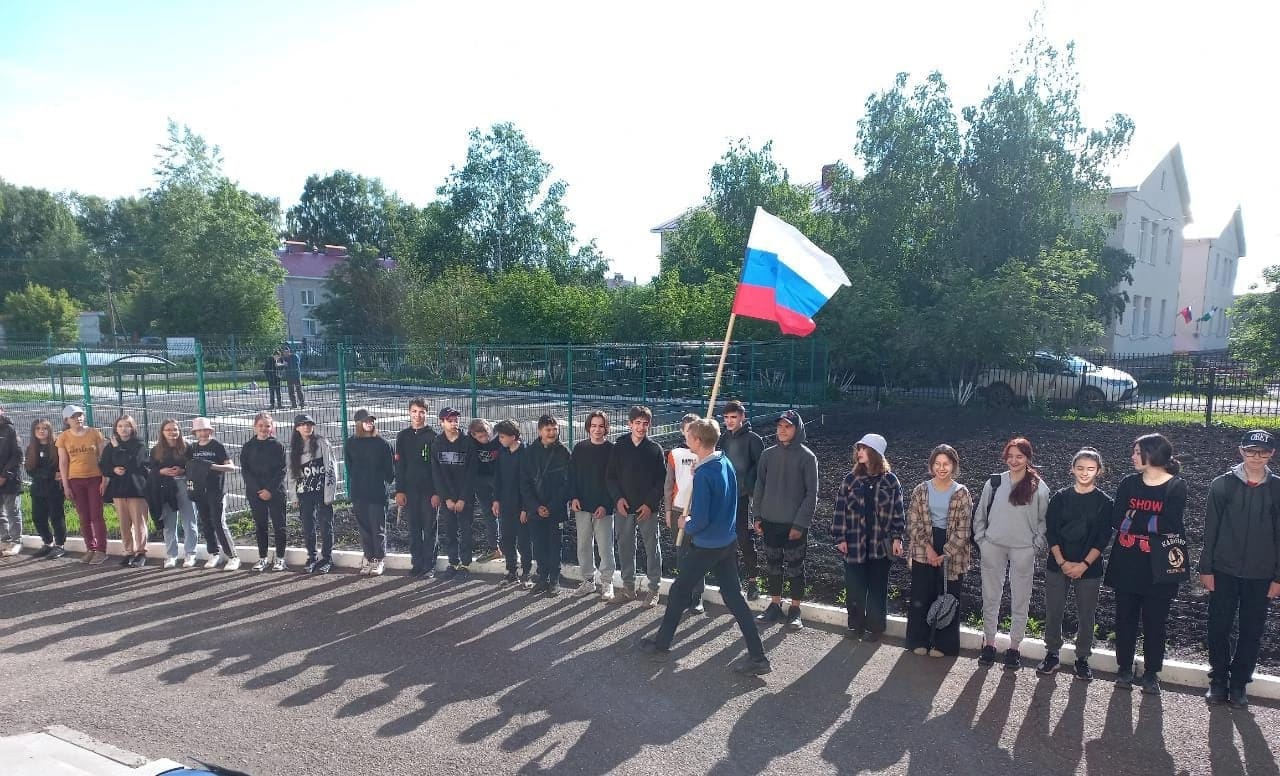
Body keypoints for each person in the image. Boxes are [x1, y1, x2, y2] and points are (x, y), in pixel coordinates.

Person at [639, 418, 771, 676]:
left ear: (698, 441)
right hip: (727, 541)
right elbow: (728, 501)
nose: (686, 438)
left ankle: (661, 644)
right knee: (733, 597)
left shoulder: (705, 474)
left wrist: (685, 523)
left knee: (679, 590)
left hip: (707, 545)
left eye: (689, 436)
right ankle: (758, 657)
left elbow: (699, 520)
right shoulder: (724, 463)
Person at [1201, 429, 1280, 708]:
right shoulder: (1222, 485)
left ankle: (1239, 685)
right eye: (1251, 451)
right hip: (1224, 570)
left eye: (1263, 453)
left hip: (1261, 574)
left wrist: (1278, 577)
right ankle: (1218, 681)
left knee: (1251, 630)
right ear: (1241, 451)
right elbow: (1210, 530)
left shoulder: (1277, 489)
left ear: (1272, 454)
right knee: (1218, 626)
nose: (1256, 457)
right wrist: (1206, 568)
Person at [1104, 433, 1188, 695]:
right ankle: (1124, 669)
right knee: (1124, 620)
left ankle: (1152, 673)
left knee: (1155, 623)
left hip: (1159, 569)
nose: (1133, 456)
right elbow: (1116, 520)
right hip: (1126, 565)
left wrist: (1134, 517)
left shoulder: (1176, 486)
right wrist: (1150, 521)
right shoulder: (1128, 483)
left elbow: (1170, 524)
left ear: (1152, 454)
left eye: (1137, 451)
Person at [1036, 448, 1113, 681]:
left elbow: (1102, 538)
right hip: (1057, 564)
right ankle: (1052, 654)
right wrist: (1062, 562)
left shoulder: (1105, 503)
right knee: (1054, 610)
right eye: (1080, 468)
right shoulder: (1060, 498)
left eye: (1090, 468)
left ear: (1098, 471)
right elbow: (1051, 532)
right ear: (1072, 469)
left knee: (1086, 614)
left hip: (1089, 568)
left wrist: (1083, 565)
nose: (1084, 473)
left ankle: (1082, 658)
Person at [973, 436, 1050, 670]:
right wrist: (982, 540)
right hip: (993, 547)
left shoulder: (1039, 487)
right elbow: (980, 514)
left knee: (1021, 598)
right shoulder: (994, 483)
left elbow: (1044, 521)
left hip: (1023, 550)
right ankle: (989, 643)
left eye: (1020, 456)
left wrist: (1035, 546)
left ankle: (1014, 647)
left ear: (1028, 458)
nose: (1014, 461)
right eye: (1011, 456)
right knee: (990, 596)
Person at [832, 433, 904, 641]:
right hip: (854, 543)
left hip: (880, 545)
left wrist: (897, 538)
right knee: (854, 587)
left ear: (875, 453)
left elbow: (898, 511)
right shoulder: (850, 479)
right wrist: (840, 537)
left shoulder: (890, 481)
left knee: (877, 588)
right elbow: (840, 509)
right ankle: (855, 626)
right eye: (859, 448)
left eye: (864, 449)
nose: (859, 452)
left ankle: (875, 628)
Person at [904, 444, 972, 657]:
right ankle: (918, 640)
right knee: (921, 594)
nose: (942, 468)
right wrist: (929, 549)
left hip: (952, 550)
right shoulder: (921, 490)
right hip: (924, 547)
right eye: (937, 464)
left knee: (948, 596)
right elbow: (913, 522)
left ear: (953, 466)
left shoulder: (961, 492)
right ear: (931, 465)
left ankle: (943, 644)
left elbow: (964, 528)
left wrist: (945, 553)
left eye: (946, 464)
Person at [754, 409, 818, 631]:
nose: (782, 430)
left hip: (794, 526)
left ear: (797, 429)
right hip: (770, 521)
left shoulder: (807, 458)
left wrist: (800, 524)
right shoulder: (767, 455)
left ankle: (795, 609)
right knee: (772, 565)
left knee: (795, 567)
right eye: (780, 426)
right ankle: (774, 604)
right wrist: (757, 515)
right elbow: (759, 486)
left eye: (787, 426)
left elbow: (811, 494)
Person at [606, 405, 666, 607]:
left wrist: (649, 504)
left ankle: (654, 589)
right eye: (637, 423)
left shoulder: (654, 449)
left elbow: (661, 481)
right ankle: (628, 588)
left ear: (650, 425)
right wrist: (618, 499)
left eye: (645, 423)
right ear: (629, 424)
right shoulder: (619, 446)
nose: (641, 427)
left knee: (652, 548)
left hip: (647, 510)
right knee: (625, 547)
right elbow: (611, 477)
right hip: (624, 508)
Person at [718, 400, 764, 599]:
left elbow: (761, 469)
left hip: (744, 497)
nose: (729, 421)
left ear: (742, 417)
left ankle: (753, 581)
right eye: (726, 417)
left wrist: (752, 489)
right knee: (727, 540)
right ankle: (732, 580)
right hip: (726, 497)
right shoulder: (723, 439)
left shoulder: (753, 440)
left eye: (733, 417)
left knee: (744, 539)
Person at [521, 414, 571, 596]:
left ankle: (554, 580)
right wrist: (535, 506)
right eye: (548, 429)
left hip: (556, 510)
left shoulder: (564, 453)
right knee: (539, 545)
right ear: (539, 431)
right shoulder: (529, 453)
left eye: (555, 429)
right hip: (535, 509)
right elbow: (524, 483)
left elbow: (567, 484)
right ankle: (542, 578)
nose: (552, 433)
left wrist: (551, 506)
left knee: (555, 545)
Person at [570, 411, 616, 601]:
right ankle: (588, 581)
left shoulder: (612, 450)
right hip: (582, 506)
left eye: (601, 426)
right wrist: (573, 497)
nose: (597, 430)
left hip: (603, 508)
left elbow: (613, 481)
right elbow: (572, 475)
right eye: (594, 426)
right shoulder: (579, 448)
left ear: (606, 428)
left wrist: (606, 505)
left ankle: (607, 582)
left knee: (605, 546)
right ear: (588, 427)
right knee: (583, 545)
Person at [345, 408, 394, 575]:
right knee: (364, 528)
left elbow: (390, 471)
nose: (369, 423)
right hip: (359, 493)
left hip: (377, 493)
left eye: (371, 421)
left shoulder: (382, 444)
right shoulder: (351, 443)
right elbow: (350, 467)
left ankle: (379, 560)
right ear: (358, 423)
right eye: (366, 421)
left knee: (377, 528)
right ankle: (368, 557)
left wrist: (380, 480)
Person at [187, 417, 240, 571]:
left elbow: (231, 467)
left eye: (205, 430)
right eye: (199, 430)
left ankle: (233, 556)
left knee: (219, 523)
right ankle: (213, 553)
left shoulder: (217, 446)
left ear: (210, 431)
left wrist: (212, 466)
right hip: (199, 491)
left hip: (216, 491)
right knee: (206, 523)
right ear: (195, 433)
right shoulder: (193, 448)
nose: (202, 433)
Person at [393, 397, 438, 578]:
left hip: (428, 493)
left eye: (421, 412)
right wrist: (399, 490)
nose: (417, 415)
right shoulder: (403, 436)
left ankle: (429, 565)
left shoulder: (433, 437)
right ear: (409, 413)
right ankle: (417, 563)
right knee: (414, 529)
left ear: (427, 414)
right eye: (414, 411)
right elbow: (399, 465)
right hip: (410, 491)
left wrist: (436, 493)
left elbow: (436, 468)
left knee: (429, 529)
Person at [431, 407, 478, 578]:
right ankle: (453, 562)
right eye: (449, 421)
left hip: (465, 498)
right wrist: (447, 498)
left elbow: (471, 473)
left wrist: (463, 498)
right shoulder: (437, 443)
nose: (453, 423)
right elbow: (436, 474)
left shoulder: (468, 443)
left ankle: (465, 564)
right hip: (448, 499)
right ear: (441, 422)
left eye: (455, 420)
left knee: (466, 531)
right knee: (450, 531)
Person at [665, 413, 705, 614]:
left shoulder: (705, 454)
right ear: (682, 431)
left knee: (698, 554)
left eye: (695, 429)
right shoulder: (675, 454)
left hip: (698, 510)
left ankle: (698, 596)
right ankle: (684, 594)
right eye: (688, 429)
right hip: (678, 510)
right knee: (682, 554)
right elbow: (668, 485)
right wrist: (668, 510)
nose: (691, 433)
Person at [56, 406, 106, 564]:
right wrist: (66, 486)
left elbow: (104, 459)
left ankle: (101, 550)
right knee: (84, 516)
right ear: (67, 420)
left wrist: (104, 480)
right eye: (74, 416)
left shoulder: (95, 433)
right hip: (75, 480)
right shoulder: (63, 437)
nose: (78, 418)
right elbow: (63, 463)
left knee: (96, 515)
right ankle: (90, 548)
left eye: (80, 415)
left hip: (95, 478)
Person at [100, 414, 151, 568]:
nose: (123, 429)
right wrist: (113, 470)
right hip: (118, 489)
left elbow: (132, 463)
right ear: (116, 428)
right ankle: (128, 551)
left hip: (136, 489)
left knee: (139, 522)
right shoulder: (110, 446)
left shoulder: (139, 445)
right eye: (120, 426)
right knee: (124, 523)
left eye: (127, 426)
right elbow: (104, 465)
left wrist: (118, 449)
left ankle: (141, 552)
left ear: (132, 428)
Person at [150, 418, 200, 569]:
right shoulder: (156, 450)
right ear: (162, 432)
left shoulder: (187, 447)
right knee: (169, 523)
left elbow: (194, 466)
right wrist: (162, 471)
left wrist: (183, 470)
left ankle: (190, 553)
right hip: (166, 488)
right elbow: (151, 470)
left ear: (179, 431)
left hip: (184, 484)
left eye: (175, 429)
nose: (172, 432)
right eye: (168, 430)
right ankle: (171, 555)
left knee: (189, 520)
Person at [291, 413, 337, 574]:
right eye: (302, 424)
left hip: (322, 492)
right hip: (304, 493)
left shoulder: (322, 442)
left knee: (326, 526)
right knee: (308, 527)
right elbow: (292, 475)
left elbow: (331, 468)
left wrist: (329, 494)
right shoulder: (295, 448)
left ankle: (327, 558)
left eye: (309, 424)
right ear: (297, 428)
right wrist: (294, 496)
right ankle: (312, 557)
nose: (306, 427)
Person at [242, 412, 288, 572]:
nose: (264, 429)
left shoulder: (278, 446)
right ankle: (263, 558)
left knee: (279, 526)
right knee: (261, 526)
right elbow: (245, 471)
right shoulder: (248, 447)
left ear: (272, 427)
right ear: (255, 427)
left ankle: (280, 559)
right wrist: (257, 490)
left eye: (267, 426)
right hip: (255, 494)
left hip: (275, 492)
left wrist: (269, 490)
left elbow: (282, 470)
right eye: (260, 425)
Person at [493, 419, 533, 587]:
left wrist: (525, 508)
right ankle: (511, 571)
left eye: (502, 436)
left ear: (513, 436)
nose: (500, 439)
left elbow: (529, 483)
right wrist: (496, 500)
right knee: (507, 539)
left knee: (524, 541)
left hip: (521, 506)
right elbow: (498, 478)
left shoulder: (526, 454)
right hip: (506, 504)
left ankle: (527, 573)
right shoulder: (502, 453)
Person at [25, 419, 67, 559]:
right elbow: (30, 470)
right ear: (34, 431)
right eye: (38, 428)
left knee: (56, 517)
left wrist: (52, 474)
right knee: (38, 517)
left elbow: (60, 467)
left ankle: (60, 545)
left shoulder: (57, 446)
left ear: (50, 430)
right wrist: (49, 474)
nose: (41, 431)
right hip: (38, 489)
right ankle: (48, 542)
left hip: (54, 489)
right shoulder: (31, 448)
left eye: (44, 428)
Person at [470, 418, 503, 562]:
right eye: (480, 437)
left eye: (486, 434)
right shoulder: (469, 441)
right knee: (488, 513)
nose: (485, 439)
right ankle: (494, 548)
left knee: (504, 512)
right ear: (473, 436)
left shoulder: (499, 437)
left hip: (499, 478)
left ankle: (508, 547)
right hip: (479, 480)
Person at [0, 404, 22, 556]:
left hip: (9, 479)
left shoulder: (10, 429)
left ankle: (16, 541)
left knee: (12, 511)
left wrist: (4, 475)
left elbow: (17, 455)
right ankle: (4, 539)